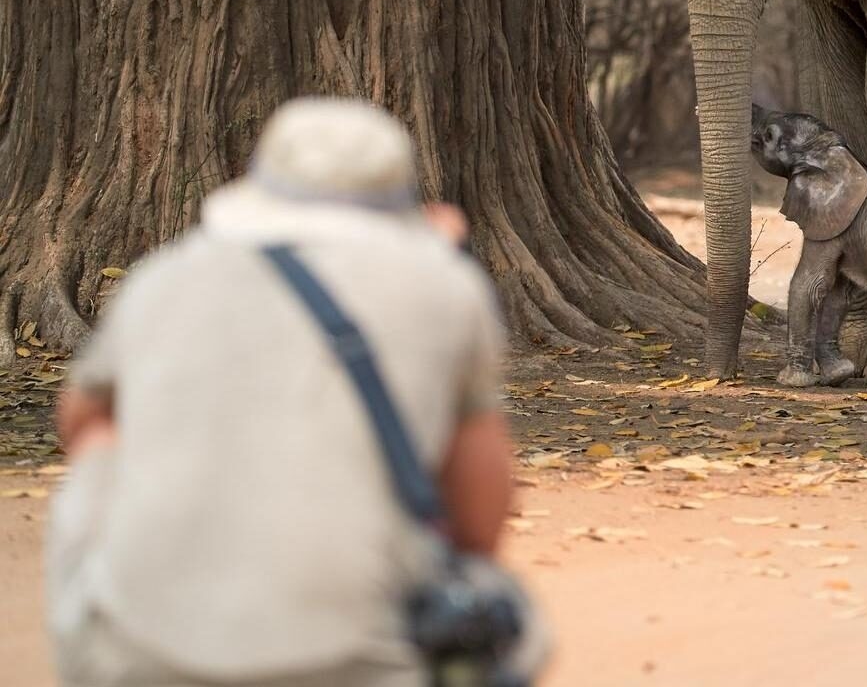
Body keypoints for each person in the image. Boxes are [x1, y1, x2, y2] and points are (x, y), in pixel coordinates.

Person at [48, 97, 525, 686]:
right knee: (508, 618)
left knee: (105, 430)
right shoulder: (445, 286)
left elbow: (81, 419)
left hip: (132, 661)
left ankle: (119, 601)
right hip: (358, 665)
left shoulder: (160, 278)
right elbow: (480, 523)